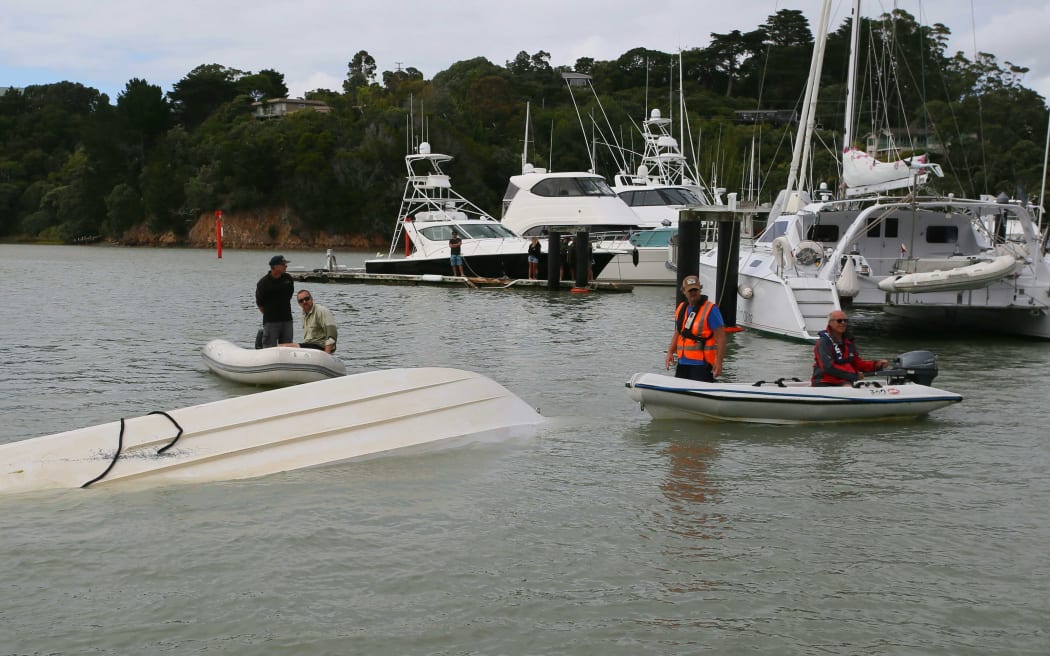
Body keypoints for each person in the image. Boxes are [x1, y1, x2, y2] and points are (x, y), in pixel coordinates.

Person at [664, 276, 726, 382]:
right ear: (684, 291)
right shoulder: (681, 308)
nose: (693, 293)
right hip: (683, 363)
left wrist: (719, 362)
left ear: (700, 289)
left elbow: (721, 338)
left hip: (702, 364)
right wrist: (670, 352)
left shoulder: (711, 310)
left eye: (695, 290)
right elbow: (678, 332)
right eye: (690, 290)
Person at [811, 310, 889, 386]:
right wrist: (853, 375)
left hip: (844, 380)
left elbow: (856, 363)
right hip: (824, 381)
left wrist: (875, 365)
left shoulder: (848, 342)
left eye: (845, 320)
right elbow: (827, 367)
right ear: (830, 323)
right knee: (847, 386)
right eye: (839, 321)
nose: (843, 323)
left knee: (848, 385)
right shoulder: (823, 342)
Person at [255, 255, 294, 348]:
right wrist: (270, 314)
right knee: (269, 347)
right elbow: (260, 303)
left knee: (287, 347)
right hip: (271, 322)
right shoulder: (263, 283)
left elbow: (290, 295)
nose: (286, 266)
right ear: (275, 266)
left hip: (287, 320)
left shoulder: (288, 279)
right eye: (283, 264)